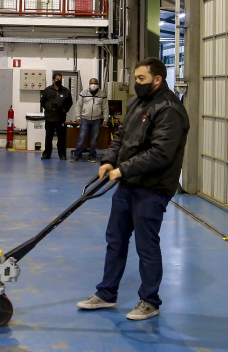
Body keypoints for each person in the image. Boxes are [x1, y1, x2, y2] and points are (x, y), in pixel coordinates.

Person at [77, 57, 189, 321]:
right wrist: (108, 160)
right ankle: (106, 294)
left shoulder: (170, 109)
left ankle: (150, 301)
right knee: (115, 240)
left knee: (146, 245)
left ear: (157, 79)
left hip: (153, 188)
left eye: (141, 79)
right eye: (135, 79)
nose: (136, 84)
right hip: (128, 185)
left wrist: (124, 169)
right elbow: (121, 137)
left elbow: (161, 153)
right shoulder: (137, 102)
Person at [71, 78, 109, 163]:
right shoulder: (83, 93)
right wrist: (78, 117)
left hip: (97, 120)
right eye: (91, 83)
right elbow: (78, 106)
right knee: (81, 138)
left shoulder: (102, 94)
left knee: (94, 139)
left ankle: (92, 156)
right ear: (89, 84)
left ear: (98, 84)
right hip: (85, 119)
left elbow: (106, 108)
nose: (93, 85)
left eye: (95, 83)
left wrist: (106, 119)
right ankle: (77, 155)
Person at [39, 72, 73, 160]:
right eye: (57, 79)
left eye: (60, 79)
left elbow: (70, 103)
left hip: (60, 118)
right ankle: (47, 154)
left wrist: (65, 110)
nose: (59, 81)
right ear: (53, 80)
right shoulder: (47, 90)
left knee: (61, 138)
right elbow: (42, 102)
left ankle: (62, 154)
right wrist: (48, 108)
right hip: (49, 118)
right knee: (48, 137)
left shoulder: (66, 91)